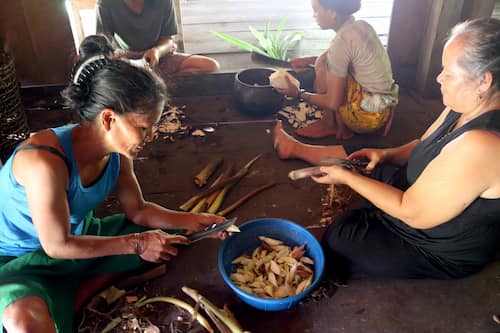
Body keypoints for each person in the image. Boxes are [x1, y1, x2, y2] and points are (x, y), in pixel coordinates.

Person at [0, 36, 227, 332]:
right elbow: (56, 246)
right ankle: (75, 291)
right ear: (109, 118)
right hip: (19, 259)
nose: (149, 137)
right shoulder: (44, 162)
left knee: (169, 237)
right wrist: (136, 245)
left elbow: (139, 211)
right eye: (143, 128)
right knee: (24, 320)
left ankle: (75, 290)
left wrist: (195, 221)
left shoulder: (117, 157)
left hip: (78, 235)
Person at [273, 18, 500, 279]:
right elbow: (422, 146)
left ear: (483, 81)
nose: (439, 78)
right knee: (361, 159)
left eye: (448, 73)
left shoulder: (483, 144)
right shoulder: (465, 103)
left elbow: (412, 212)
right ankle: (316, 160)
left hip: (433, 241)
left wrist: (348, 178)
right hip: (419, 191)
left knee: (341, 235)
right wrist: (386, 154)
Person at [275, 0, 398, 139]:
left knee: (323, 63)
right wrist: (308, 60)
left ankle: (329, 124)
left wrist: (298, 93)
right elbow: (341, 57)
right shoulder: (361, 26)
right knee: (323, 59)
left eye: (316, 10)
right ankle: (336, 123)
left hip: (366, 118)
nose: (314, 15)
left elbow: (333, 103)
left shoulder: (341, 41)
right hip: (385, 107)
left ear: (332, 13)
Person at [96, 0, 220, 74]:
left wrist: (157, 52)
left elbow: (168, 40)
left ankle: (162, 86)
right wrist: (125, 58)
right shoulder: (105, 3)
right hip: (126, 61)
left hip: (158, 58)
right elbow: (104, 44)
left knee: (210, 66)